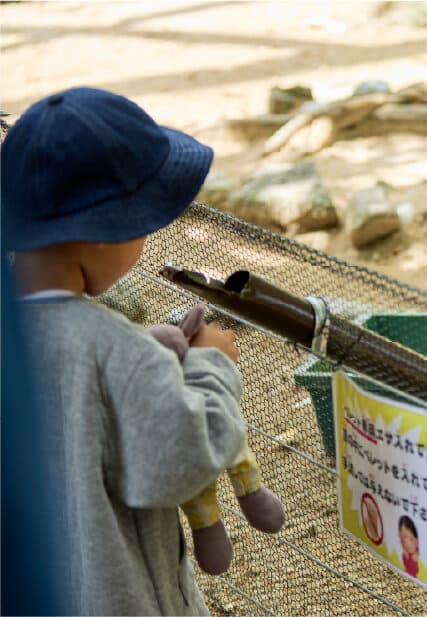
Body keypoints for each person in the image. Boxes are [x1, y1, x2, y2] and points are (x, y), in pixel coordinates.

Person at [1, 87, 246, 615]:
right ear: (103, 235)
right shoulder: (113, 348)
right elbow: (183, 459)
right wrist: (213, 366)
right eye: (142, 225)